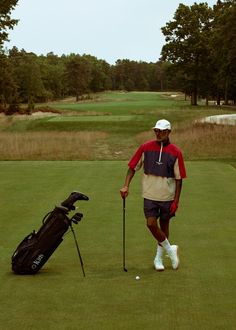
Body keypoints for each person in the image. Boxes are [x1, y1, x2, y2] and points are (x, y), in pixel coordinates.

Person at [120, 119, 186, 271]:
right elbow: (132, 168)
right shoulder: (145, 147)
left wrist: (176, 201)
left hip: (167, 197)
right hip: (149, 195)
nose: (158, 133)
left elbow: (179, 179)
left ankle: (158, 259)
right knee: (150, 224)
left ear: (169, 132)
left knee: (164, 226)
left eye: (162, 131)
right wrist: (125, 186)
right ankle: (170, 250)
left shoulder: (176, 152)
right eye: (156, 131)